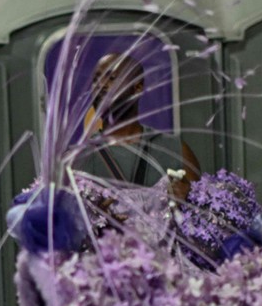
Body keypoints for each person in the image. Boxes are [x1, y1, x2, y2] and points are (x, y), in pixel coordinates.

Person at [79, 52, 201, 197]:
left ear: (137, 87)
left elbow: (202, 212)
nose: (101, 85)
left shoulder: (175, 150)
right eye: (95, 80)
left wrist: (186, 200)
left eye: (111, 78)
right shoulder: (76, 158)